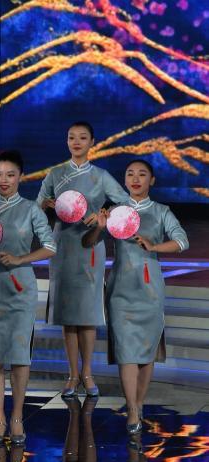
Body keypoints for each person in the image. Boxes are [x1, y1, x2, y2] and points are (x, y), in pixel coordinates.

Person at [83, 159, 188, 435]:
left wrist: (154, 246)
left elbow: (182, 241)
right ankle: (131, 408)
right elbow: (87, 242)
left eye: (142, 174)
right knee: (126, 351)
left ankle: (139, 402)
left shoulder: (161, 211)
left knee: (145, 353)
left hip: (150, 289)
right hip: (120, 289)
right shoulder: (115, 211)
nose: (135, 179)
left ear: (151, 180)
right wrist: (99, 227)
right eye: (130, 174)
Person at [36, 121, 127, 397]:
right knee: (68, 315)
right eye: (71, 137)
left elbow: (124, 202)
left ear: (92, 142)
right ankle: (72, 374)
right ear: (67, 141)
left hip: (90, 246)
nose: (76, 142)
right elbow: (37, 205)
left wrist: (103, 213)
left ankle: (87, 373)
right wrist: (47, 205)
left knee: (87, 314)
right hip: (63, 245)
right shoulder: (56, 174)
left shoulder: (100, 176)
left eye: (82, 137)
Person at [0, 150, 56, 445]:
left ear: (21, 177)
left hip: (21, 289)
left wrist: (21, 259)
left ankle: (17, 416)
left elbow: (50, 247)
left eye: (10, 175)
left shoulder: (31, 209)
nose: (4, 180)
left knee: (20, 356)